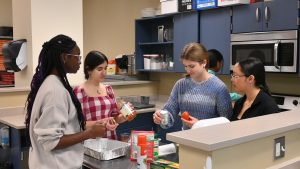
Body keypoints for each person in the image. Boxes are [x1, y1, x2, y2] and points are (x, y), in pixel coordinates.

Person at [25, 34, 107, 169]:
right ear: (64, 57)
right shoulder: (55, 91)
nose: (80, 62)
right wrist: (90, 133)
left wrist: (88, 128)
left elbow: (65, 128)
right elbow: (51, 142)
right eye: (77, 57)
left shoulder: (53, 83)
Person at [153, 42, 232, 129]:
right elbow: (169, 113)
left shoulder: (219, 88)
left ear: (204, 63)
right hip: (187, 139)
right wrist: (161, 117)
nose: (188, 70)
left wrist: (199, 124)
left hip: (210, 140)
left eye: (192, 66)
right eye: (185, 66)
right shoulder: (180, 85)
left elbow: (226, 123)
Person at [74, 51, 128, 140]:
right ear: (89, 70)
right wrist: (103, 123)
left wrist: (125, 116)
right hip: (91, 143)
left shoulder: (109, 89)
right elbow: (78, 123)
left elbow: (114, 118)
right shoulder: (79, 91)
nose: (104, 73)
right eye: (99, 69)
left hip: (111, 140)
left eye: (105, 68)